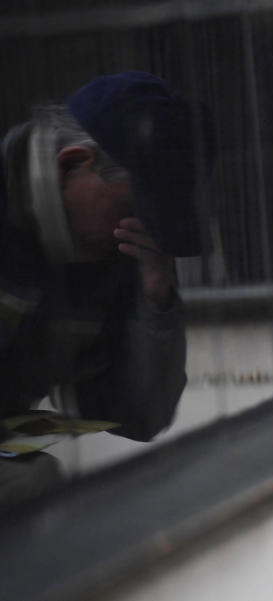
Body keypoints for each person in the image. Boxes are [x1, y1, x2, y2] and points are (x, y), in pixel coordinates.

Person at [0, 72, 213, 506]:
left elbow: (138, 417)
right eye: (135, 209)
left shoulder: (113, 258)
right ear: (70, 166)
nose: (140, 231)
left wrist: (156, 298)